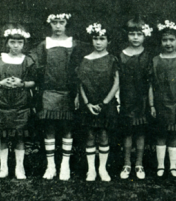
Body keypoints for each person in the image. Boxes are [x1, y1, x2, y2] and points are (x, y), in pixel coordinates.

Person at [31, 12, 79, 180]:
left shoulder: (73, 43)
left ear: (67, 23)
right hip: (49, 91)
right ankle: (51, 166)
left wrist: (76, 92)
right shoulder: (43, 44)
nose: (58, 25)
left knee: (67, 128)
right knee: (49, 127)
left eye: (62, 22)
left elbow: (80, 69)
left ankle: (64, 165)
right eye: (55, 22)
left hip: (67, 91)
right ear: (49, 24)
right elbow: (35, 66)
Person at [0, 24, 36, 179]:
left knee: (19, 136)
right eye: (12, 42)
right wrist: (0, 83)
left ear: (24, 44)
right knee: (3, 136)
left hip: (20, 104)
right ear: (7, 43)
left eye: (20, 43)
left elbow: (34, 82)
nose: (16, 46)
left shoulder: (28, 61)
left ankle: (19, 167)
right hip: (2, 103)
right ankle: (3, 168)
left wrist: (21, 83)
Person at [76, 22, 119, 182]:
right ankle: (91, 170)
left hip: (105, 103)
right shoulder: (85, 60)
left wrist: (104, 103)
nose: (98, 42)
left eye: (102, 38)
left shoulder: (112, 59)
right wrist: (87, 104)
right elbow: (80, 84)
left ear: (108, 41)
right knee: (89, 135)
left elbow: (116, 83)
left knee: (103, 135)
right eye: (95, 38)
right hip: (89, 103)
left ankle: (102, 169)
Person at [149, 20, 176, 178]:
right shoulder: (155, 60)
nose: (168, 43)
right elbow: (151, 85)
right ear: (160, 41)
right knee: (161, 134)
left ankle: (173, 166)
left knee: (173, 134)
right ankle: (160, 166)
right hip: (160, 103)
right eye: (165, 40)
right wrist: (152, 105)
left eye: (171, 40)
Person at [118, 17, 153, 180]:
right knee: (127, 132)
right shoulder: (120, 55)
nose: (135, 38)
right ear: (127, 35)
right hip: (126, 98)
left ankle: (139, 163)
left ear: (145, 35)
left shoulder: (149, 56)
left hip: (143, 98)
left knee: (140, 131)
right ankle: (126, 163)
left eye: (139, 34)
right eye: (132, 34)